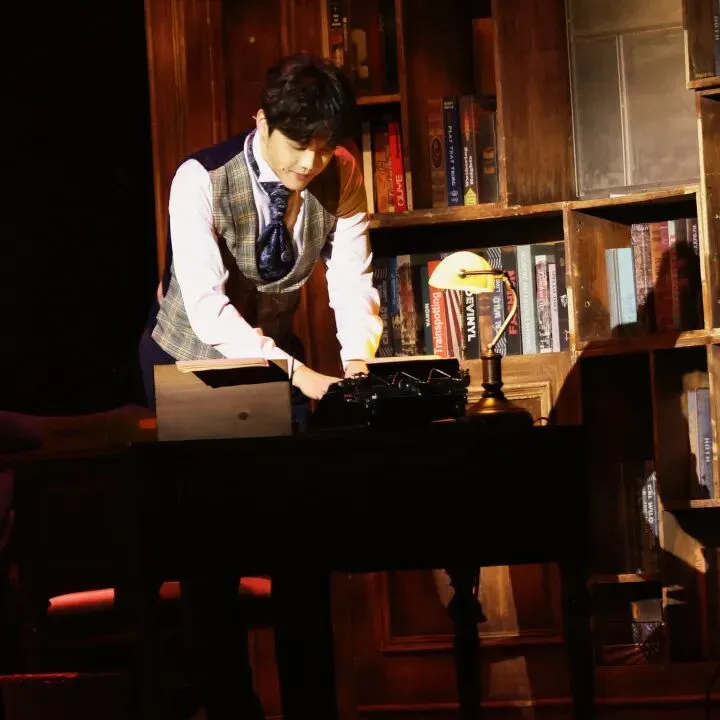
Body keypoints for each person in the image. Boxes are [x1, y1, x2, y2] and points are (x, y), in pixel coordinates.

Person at [132, 52, 383, 720]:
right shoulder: (200, 179)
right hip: (188, 360)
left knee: (302, 536)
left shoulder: (342, 173)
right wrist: (299, 374)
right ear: (262, 122)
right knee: (210, 541)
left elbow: (351, 280)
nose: (311, 161)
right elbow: (208, 310)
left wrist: (357, 367)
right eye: (299, 144)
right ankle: (230, 709)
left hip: (272, 356)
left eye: (324, 147)